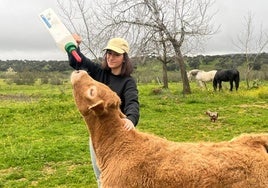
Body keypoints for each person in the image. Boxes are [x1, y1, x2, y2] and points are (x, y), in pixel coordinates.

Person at [67, 34, 140, 187]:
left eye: (116, 54)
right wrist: (74, 46)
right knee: (102, 174)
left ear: (124, 58)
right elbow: (78, 62)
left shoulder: (128, 82)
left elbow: (132, 102)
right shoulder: (100, 73)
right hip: (99, 133)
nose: (111, 57)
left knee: (120, 175)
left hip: (119, 135)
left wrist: (131, 119)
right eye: (109, 53)